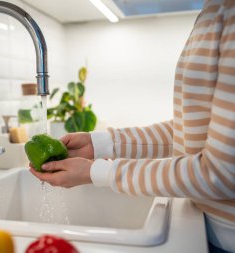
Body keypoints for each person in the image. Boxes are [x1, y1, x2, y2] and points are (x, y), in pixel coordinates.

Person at [29, 0, 235, 252]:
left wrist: (97, 172)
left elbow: (222, 172)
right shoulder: (215, 8)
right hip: (211, 228)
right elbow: (190, 129)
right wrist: (101, 144)